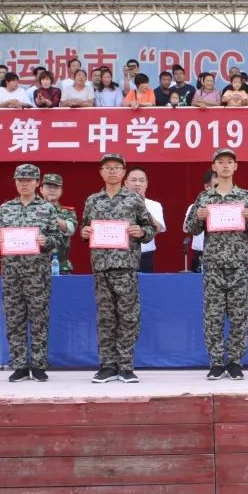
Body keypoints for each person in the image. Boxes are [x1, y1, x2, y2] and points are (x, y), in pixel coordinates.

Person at [184, 149, 248, 380]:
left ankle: (235, 361)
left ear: (236, 166)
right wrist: (198, 217)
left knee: (239, 315)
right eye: (221, 162)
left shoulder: (246, 196)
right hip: (213, 265)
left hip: (238, 265)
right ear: (214, 167)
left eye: (230, 162)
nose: (226, 165)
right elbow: (191, 228)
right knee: (213, 315)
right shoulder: (205, 198)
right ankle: (217, 362)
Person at [80, 153, 157, 383]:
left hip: (126, 267)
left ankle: (125, 366)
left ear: (123, 173)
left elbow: (150, 228)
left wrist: (141, 232)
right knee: (105, 318)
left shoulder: (134, 200)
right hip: (101, 267)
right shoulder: (92, 200)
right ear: (101, 172)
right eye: (107, 167)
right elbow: (85, 228)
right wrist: (84, 233)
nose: (112, 171)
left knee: (128, 317)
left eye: (116, 167)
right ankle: (107, 366)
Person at [0, 164, 60, 382]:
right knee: (14, 318)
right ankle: (20, 365)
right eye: (20, 180)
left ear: (37, 183)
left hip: (37, 273)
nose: (24, 184)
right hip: (11, 272)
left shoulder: (47, 209)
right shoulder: (6, 208)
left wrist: (46, 240)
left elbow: (57, 238)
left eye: (29, 180)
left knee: (39, 319)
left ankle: (38, 365)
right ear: (15, 182)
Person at [124, 166, 166, 273]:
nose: (137, 184)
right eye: (133, 180)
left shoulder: (155, 205)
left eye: (141, 180)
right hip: (122, 254)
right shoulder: (117, 204)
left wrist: (141, 205)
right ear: (126, 183)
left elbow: (157, 229)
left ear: (146, 183)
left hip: (145, 255)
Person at [40, 173, 77, 275]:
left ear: (61, 191)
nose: (52, 190)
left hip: (61, 266)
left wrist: (50, 213)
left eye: (56, 187)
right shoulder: (32, 210)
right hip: (35, 267)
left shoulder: (68, 211)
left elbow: (70, 229)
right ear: (41, 189)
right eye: (49, 187)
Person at [186, 170, 218, 272]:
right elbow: (186, 228)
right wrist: (199, 218)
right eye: (216, 177)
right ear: (207, 186)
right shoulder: (197, 205)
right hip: (200, 251)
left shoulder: (233, 205)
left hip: (224, 254)